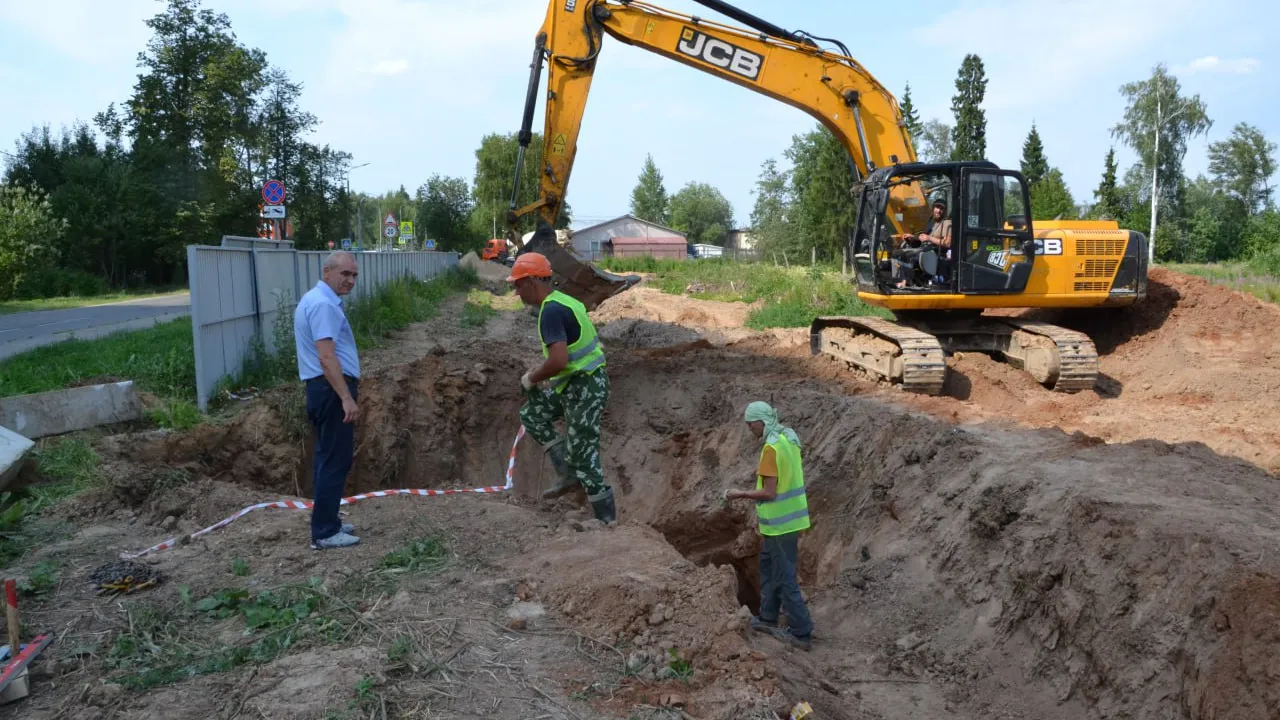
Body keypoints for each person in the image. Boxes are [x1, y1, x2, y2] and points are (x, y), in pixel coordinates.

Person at [507, 251, 617, 523]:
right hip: (573, 385)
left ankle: (607, 521)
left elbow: (558, 360)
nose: (517, 293)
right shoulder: (563, 301)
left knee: (583, 453)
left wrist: (532, 377)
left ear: (531, 282)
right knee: (532, 414)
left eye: (518, 285)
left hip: (586, 387)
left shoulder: (550, 312)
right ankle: (566, 473)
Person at [725, 401, 813, 650]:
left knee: (785, 577)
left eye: (750, 424)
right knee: (768, 566)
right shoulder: (788, 438)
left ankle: (801, 632)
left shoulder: (771, 450)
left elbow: (770, 492)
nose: (749, 429)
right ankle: (768, 617)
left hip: (780, 525)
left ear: (761, 422)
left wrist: (740, 493)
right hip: (788, 521)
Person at [294, 250, 362, 550]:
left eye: (354, 275)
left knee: (327, 458)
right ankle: (324, 532)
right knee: (335, 460)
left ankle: (328, 521)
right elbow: (326, 356)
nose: (350, 280)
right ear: (327, 272)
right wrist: (346, 397)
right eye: (344, 274)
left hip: (322, 389)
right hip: (331, 390)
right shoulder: (323, 305)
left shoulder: (315, 299)